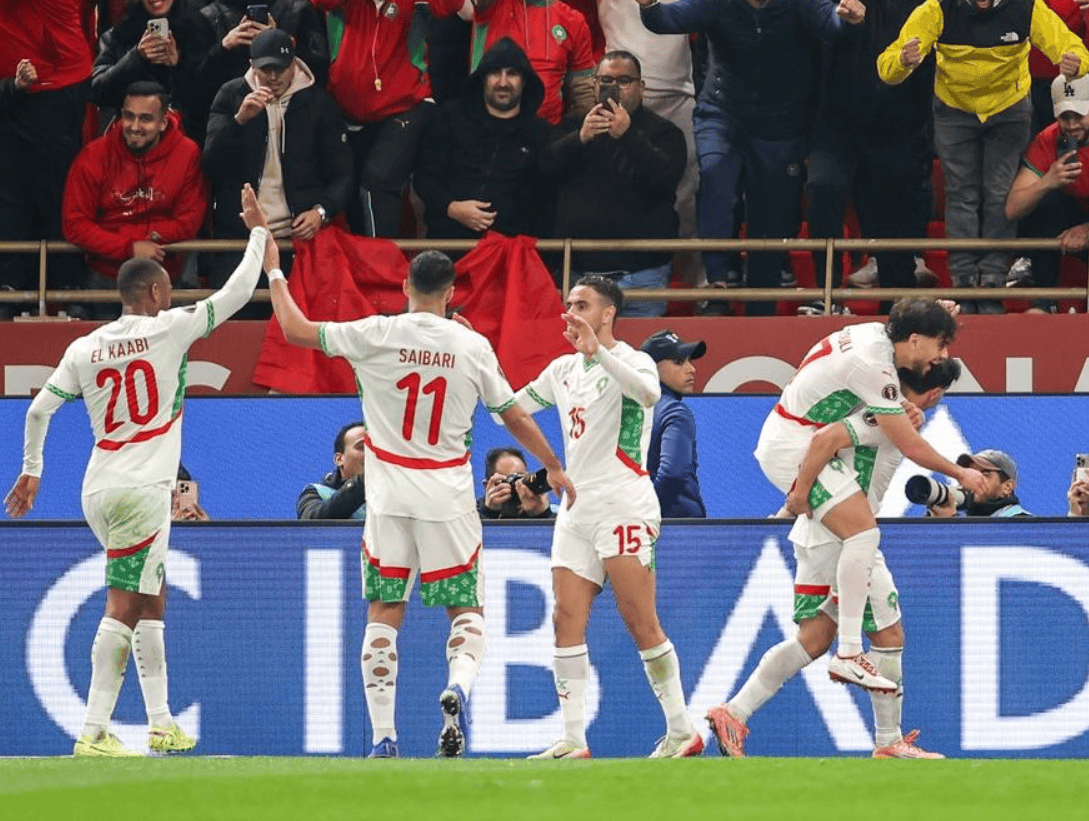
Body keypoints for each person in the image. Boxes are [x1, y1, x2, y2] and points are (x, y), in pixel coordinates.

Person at [266, 248, 576, 759]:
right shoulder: (471, 345)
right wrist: (553, 465)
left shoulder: (376, 332)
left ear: (405, 287)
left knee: (384, 612)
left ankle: (383, 737)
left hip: (388, 495)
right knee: (465, 610)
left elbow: (295, 329)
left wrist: (274, 266)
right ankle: (458, 688)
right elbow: (512, 415)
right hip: (447, 494)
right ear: (451, 293)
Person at [4, 184, 274, 756]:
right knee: (124, 605)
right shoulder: (170, 328)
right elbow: (235, 292)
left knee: (152, 598)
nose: (171, 293)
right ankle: (93, 730)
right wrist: (258, 233)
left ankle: (160, 722)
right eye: (168, 287)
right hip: (143, 488)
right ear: (154, 292)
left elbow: (38, 410)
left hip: (99, 486)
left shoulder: (85, 346)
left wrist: (32, 471)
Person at [707, 359, 962, 760]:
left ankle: (733, 712)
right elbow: (824, 441)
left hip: (820, 532)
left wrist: (792, 507)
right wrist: (796, 498)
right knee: (889, 635)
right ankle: (888, 741)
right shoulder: (885, 414)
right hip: (844, 537)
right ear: (935, 393)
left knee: (812, 640)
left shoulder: (877, 407)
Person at [755, 298, 986, 692]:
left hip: (797, 440)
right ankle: (848, 655)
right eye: (940, 344)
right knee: (863, 533)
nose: (943, 356)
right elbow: (910, 445)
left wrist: (934, 314)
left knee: (816, 634)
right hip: (795, 445)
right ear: (915, 340)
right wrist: (962, 472)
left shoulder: (875, 339)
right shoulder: (874, 368)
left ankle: (742, 707)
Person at [516, 275, 703, 759]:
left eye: (582, 304)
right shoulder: (560, 369)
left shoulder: (633, 360)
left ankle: (682, 730)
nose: (571, 312)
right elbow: (509, 410)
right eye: (569, 303)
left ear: (607, 313)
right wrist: (477, 363)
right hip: (576, 509)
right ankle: (573, 739)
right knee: (565, 618)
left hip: (623, 503)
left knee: (640, 620)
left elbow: (648, 394)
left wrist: (599, 351)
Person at [638, 0, 867, 316]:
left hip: (780, 124)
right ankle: (717, 285)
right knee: (715, 173)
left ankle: (762, 304)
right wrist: (650, 7)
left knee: (771, 214)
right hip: (722, 114)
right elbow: (670, 19)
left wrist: (850, 19)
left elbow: (831, 24)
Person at [878, 0, 1089, 314]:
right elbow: (886, 68)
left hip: (1009, 110)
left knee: (999, 191)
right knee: (960, 193)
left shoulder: (1026, 7)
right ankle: (963, 282)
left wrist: (1078, 63)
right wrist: (902, 62)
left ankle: (992, 281)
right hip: (954, 109)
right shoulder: (936, 9)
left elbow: (1071, 47)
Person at [805, 0, 935, 304]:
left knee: (893, 227)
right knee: (822, 188)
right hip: (835, 125)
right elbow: (814, 38)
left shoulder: (919, 6)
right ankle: (827, 295)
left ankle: (896, 306)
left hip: (897, 128)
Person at [540, 50, 687, 317]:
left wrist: (628, 136)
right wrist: (579, 138)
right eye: (605, 80)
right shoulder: (571, 127)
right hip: (579, 275)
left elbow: (665, 180)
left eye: (624, 81)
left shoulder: (665, 132)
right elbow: (543, 170)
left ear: (642, 87)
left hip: (642, 275)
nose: (614, 88)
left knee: (642, 346)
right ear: (594, 84)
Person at [203, 28, 352, 287]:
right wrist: (239, 122)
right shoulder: (231, 95)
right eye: (265, 69)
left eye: (280, 69)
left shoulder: (319, 103)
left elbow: (343, 173)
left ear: (293, 63)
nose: (273, 77)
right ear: (252, 65)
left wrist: (321, 211)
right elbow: (211, 166)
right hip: (240, 237)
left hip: (298, 239)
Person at [312, 0, 464, 236]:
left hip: (407, 106)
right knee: (350, 197)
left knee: (376, 183)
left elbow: (454, 7)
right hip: (347, 113)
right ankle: (368, 257)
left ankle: (381, 259)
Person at [62, 82, 208, 294]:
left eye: (146, 119)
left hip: (166, 278)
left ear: (163, 123)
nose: (135, 126)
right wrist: (130, 248)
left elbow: (189, 222)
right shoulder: (93, 155)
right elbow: (75, 225)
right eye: (129, 116)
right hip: (104, 279)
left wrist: (132, 238)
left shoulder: (187, 153)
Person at [0, 3, 93, 309]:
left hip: (52, 84)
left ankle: (65, 291)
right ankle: (11, 288)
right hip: (18, 84)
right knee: (10, 194)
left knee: (52, 194)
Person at [415, 38, 553, 240]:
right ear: (482, 78)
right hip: (448, 242)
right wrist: (452, 208)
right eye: (495, 73)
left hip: (509, 247)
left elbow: (543, 202)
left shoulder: (541, 133)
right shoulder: (449, 117)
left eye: (512, 74)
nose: (503, 83)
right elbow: (424, 178)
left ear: (524, 81)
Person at [1005, 74, 1089, 312]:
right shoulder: (1048, 139)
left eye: (1079, 116)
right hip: (1073, 211)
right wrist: (1048, 181)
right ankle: (1044, 303)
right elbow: (1012, 209)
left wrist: (1087, 228)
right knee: (1045, 204)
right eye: (1065, 117)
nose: (1072, 125)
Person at [91, 0, 217, 145]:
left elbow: (209, 96)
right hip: (132, 137)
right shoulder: (118, 35)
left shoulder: (198, 29)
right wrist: (136, 57)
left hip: (185, 137)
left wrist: (177, 67)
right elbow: (99, 91)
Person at [470, 0, 597, 125]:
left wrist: (585, 129)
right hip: (492, 126)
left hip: (550, 130)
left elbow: (583, 92)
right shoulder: (492, 6)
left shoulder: (573, 20)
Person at [640, 329, 707, 518]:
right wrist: (647, 510)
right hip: (678, 525)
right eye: (678, 362)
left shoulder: (626, 408)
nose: (691, 369)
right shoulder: (675, 412)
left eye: (689, 361)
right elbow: (673, 474)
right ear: (652, 368)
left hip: (631, 524)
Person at [201, 0, 330, 90]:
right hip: (234, 107)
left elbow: (319, 70)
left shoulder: (299, 9)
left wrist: (279, 42)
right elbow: (198, 84)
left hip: (293, 106)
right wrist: (223, 47)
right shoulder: (209, 15)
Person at [927, 449, 1032, 517]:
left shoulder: (1023, 524)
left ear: (1007, 487)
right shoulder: (966, 519)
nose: (974, 480)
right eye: (970, 474)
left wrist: (949, 526)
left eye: (985, 474)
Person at [297, 421, 368, 520]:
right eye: (362, 447)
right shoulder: (317, 493)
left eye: (374, 449)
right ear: (339, 459)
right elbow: (312, 523)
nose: (371, 454)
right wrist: (364, 479)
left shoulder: (390, 492)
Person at [478, 447, 554, 520]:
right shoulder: (474, 514)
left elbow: (557, 528)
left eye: (520, 478)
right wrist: (488, 512)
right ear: (488, 486)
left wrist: (543, 514)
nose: (517, 486)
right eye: (510, 480)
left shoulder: (551, 509)